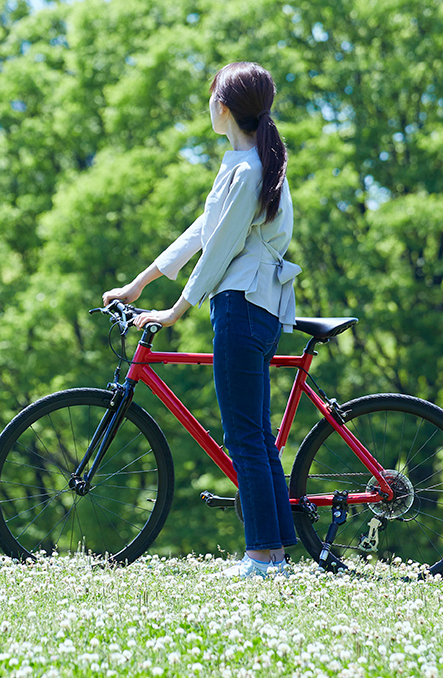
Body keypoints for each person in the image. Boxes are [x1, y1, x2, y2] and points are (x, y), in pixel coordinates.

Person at [102, 61, 300, 577]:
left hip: (240, 306)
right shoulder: (247, 163)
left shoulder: (250, 168)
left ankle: (262, 558)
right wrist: (139, 284)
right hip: (256, 305)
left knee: (243, 436)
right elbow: (201, 232)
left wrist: (175, 310)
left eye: (212, 98)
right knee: (255, 434)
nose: (209, 105)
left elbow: (217, 253)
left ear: (225, 108)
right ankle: (276, 551)